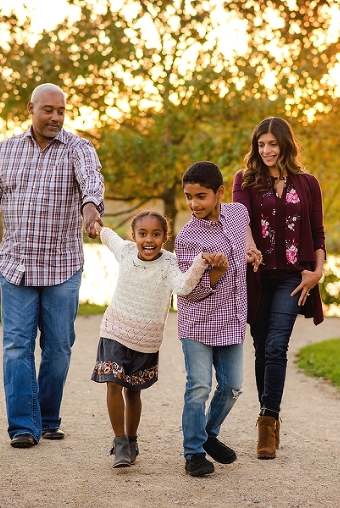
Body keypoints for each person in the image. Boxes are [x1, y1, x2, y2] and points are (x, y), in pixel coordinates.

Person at [0, 83, 105, 448]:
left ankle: (46, 418)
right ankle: (23, 427)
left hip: (62, 266)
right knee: (17, 346)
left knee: (59, 348)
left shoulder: (78, 148)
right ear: (31, 108)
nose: (56, 117)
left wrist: (91, 208)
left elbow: (92, 180)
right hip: (15, 265)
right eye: (48, 110)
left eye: (61, 111)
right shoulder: (5, 152)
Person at [89, 211, 217, 468]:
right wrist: (96, 226)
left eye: (156, 234)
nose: (149, 240)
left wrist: (200, 262)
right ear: (134, 236)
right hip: (114, 330)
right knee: (113, 384)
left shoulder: (170, 263)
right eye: (143, 234)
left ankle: (132, 440)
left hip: (145, 340)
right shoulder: (125, 251)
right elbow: (108, 236)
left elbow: (183, 287)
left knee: (133, 391)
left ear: (164, 238)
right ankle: (120, 443)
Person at [232, 116, 326, 459]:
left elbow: (317, 232)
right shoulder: (246, 180)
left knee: (276, 346)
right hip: (255, 275)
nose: (267, 150)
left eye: (272, 143)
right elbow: (239, 220)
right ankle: (267, 414)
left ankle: (267, 424)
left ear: (285, 144)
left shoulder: (307, 182)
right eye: (261, 144)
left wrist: (317, 272)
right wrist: (248, 246)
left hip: (292, 276)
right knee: (260, 348)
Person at [174, 160, 260, 477]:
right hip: (198, 323)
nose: (194, 204)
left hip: (233, 319)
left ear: (220, 193)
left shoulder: (237, 213)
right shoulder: (187, 237)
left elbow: (246, 228)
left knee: (233, 387)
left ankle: (208, 434)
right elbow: (186, 291)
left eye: (201, 196)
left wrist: (251, 249)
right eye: (188, 197)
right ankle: (193, 452)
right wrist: (216, 274)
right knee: (199, 387)